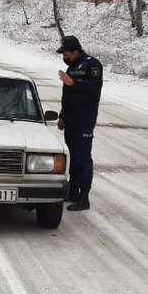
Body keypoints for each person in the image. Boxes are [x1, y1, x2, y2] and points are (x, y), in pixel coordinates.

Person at [56, 35, 103, 211]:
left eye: (66, 54)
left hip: (85, 119)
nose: (64, 57)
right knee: (73, 157)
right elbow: (67, 96)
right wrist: (62, 115)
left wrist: (74, 82)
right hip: (71, 120)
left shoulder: (93, 65)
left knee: (83, 157)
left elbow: (94, 86)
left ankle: (85, 197)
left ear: (75, 52)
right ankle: (73, 191)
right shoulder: (71, 69)